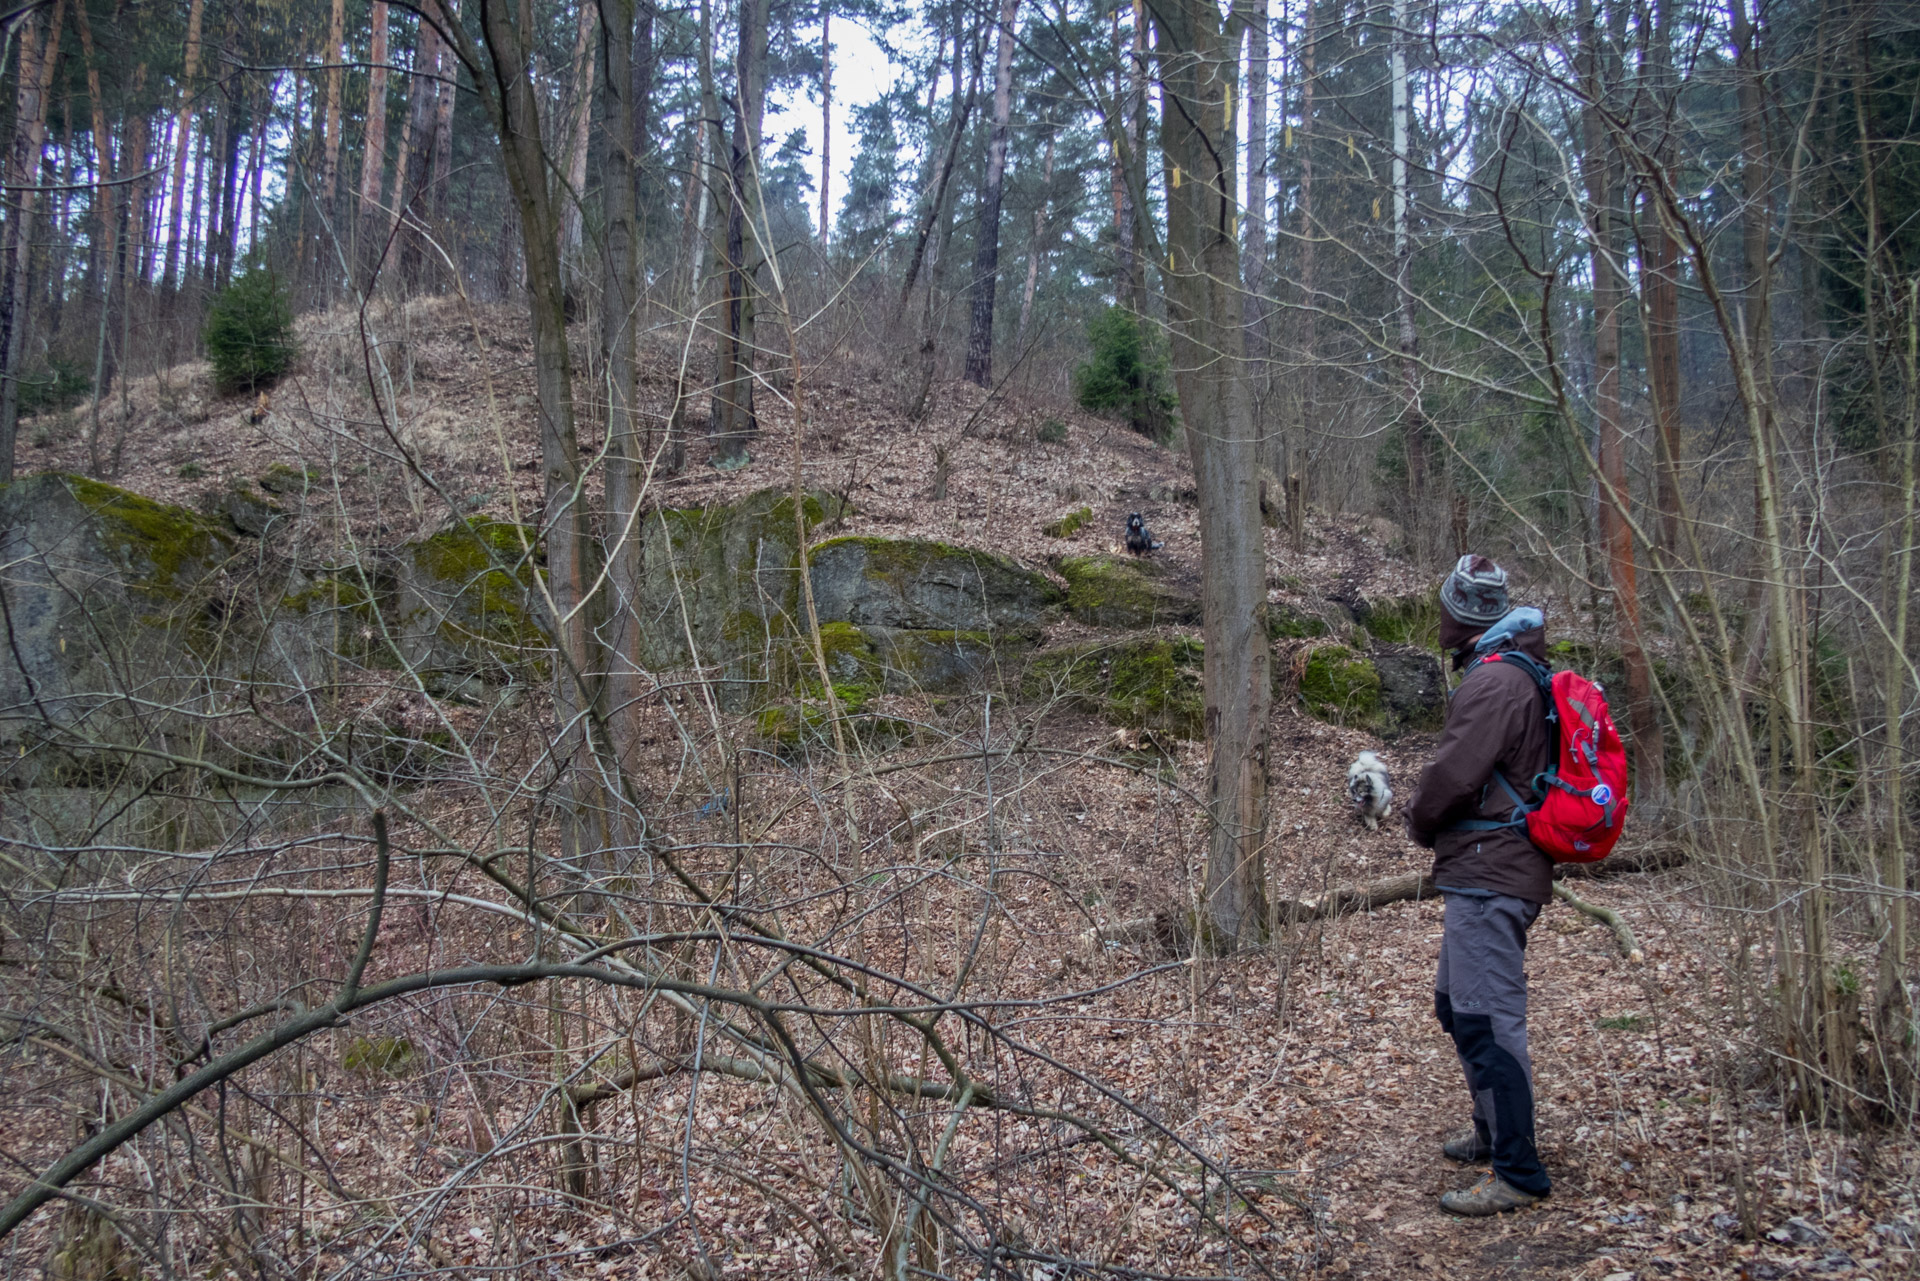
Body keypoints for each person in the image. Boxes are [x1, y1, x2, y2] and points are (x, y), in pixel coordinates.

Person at [1405, 553, 1555, 1217]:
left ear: (1462, 614)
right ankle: (1493, 1129)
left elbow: (1452, 775)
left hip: (1493, 870)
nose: (1436, 616)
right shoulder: (1503, 672)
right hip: (1482, 868)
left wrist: (1417, 818)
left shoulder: (1494, 684)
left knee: (1486, 1019)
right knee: (1454, 1004)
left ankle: (1517, 1169)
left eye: (1443, 605)